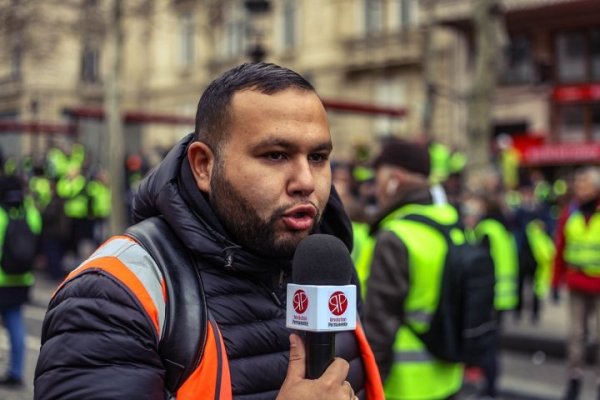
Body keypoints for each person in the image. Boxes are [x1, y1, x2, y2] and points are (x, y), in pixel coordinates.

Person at [34, 63, 384, 400]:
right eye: (276, 155)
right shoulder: (112, 294)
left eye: (318, 157)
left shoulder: (326, 264)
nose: (306, 181)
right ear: (204, 166)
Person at [363, 138, 463, 400]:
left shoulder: (396, 235)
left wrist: (370, 386)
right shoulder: (450, 221)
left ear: (394, 178)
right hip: (448, 378)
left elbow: (379, 325)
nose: (376, 188)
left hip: (403, 386)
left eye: (379, 178)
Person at [552, 167, 600, 400]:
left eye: (585, 185)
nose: (580, 190)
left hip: (598, 284)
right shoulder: (570, 213)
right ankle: (575, 378)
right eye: (578, 185)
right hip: (576, 283)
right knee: (575, 335)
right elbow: (560, 247)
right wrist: (554, 281)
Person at [0, 174, 42, 387]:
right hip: (23, 279)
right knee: (16, 323)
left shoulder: (1, 216)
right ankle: (16, 372)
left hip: (1, 279)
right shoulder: (31, 214)